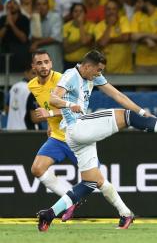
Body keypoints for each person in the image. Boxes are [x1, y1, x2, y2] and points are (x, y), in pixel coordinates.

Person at [36, 50, 157, 232]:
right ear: (87, 66)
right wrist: (69, 105)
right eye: (98, 70)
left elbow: (118, 96)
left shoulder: (92, 76)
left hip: (78, 136)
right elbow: (53, 98)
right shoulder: (71, 75)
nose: (99, 74)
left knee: (90, 182)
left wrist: (143, 113)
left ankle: (49, 214)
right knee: (126, 117)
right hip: (78, 127)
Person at [30, 50, 139, 229]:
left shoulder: (64, 78)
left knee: (97, 180)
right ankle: (71, 200)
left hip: (76, 135)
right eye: (39, 63)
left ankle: (125, 212)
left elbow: (74, 107)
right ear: (33, 67)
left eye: (47, 62)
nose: (44, 66)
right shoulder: (32, 86)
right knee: (37, 168)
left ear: (51, 63)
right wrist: (50, 122)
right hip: (58, 137)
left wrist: (50, 113)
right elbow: (47, 106)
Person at [6, 65, 37, 129]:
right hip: (26, 131)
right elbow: (34, 118)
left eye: (38, 74)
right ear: (26, 73)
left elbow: (7, 110)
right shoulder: (32, 89)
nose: (36, 77)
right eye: (33, 73)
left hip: (10, 129)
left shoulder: (13, 87)